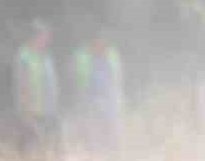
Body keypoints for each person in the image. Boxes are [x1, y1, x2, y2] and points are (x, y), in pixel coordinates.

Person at [70, 35, 125, 148]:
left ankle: (111, 152)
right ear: (93, 43)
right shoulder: (83, 56)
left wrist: (117, 99)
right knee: (92, 131)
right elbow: (77, 79)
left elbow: (117, 78)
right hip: (90, 100)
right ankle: (94, 153)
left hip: (109, 100)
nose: (102, 46)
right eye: (99, 43)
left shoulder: (111, 55)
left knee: (111, 130)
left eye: (104, 43)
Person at [13, 20, 61, 150]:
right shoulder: (24, 56)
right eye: (44, 36)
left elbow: (52, 83)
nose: (47, 40)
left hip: (48, 111)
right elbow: (22, 85)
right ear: (35, 37)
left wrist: (55, 105)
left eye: (48, 37)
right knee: (28, 149)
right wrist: (25, 112)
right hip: (31, 111)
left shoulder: (46, 56)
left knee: (47, 148)